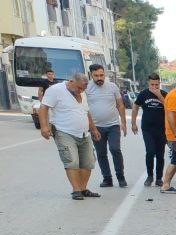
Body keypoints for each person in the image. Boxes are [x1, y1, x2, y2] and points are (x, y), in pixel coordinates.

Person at [38, 72, 102, 200]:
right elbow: (43, 108)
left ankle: (83, 188)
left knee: (89, 162)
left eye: (83, 89)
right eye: (79, 88)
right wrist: (44, 127)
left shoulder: (81, 92)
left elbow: (86, 112)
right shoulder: (55, 90)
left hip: (84, 133)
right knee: (72, 161)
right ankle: (76, 190)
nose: (80, 91)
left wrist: (93, 129)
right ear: (71, 81)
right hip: (64, 132)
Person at [85, 64, 128, 188]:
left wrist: (124, 123)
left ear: (105, 74)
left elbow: (120, 105)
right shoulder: (87, 88)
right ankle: (107, 178)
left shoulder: (112, 87)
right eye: (96, 75)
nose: (99, 78)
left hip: (113, 125)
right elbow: (84, 108)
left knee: (115, 149)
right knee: (101, 153)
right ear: (91, 75)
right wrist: (90, 127)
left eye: (101, 75)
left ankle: (121, 177)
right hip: (96, 127)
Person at [131, 74, 167, 187]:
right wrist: (133, 123)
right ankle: (150, 176)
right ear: (148, 83)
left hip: (162, 129)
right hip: (147, 129)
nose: (154, 86)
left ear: (159, 84)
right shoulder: (143, 94)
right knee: (150, 152)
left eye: (157, 84)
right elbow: (136, 107)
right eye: (152, 84)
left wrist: (159, 96)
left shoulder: (164, 94)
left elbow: (169, 107)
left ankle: (159, 178)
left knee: (160, 155)